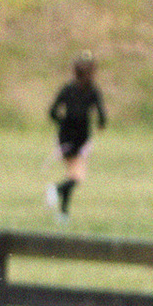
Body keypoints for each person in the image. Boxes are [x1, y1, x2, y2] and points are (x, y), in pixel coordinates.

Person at [46, 57, 105, 217]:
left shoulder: (67, 89)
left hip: (65, 137)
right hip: (81, 139)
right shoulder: (93, 91)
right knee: (77, 177)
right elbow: (101, 114)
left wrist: (63, 123)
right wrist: (100, 124)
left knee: (71, 174)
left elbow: (52, 112)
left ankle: (64, 214)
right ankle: (56, 190)